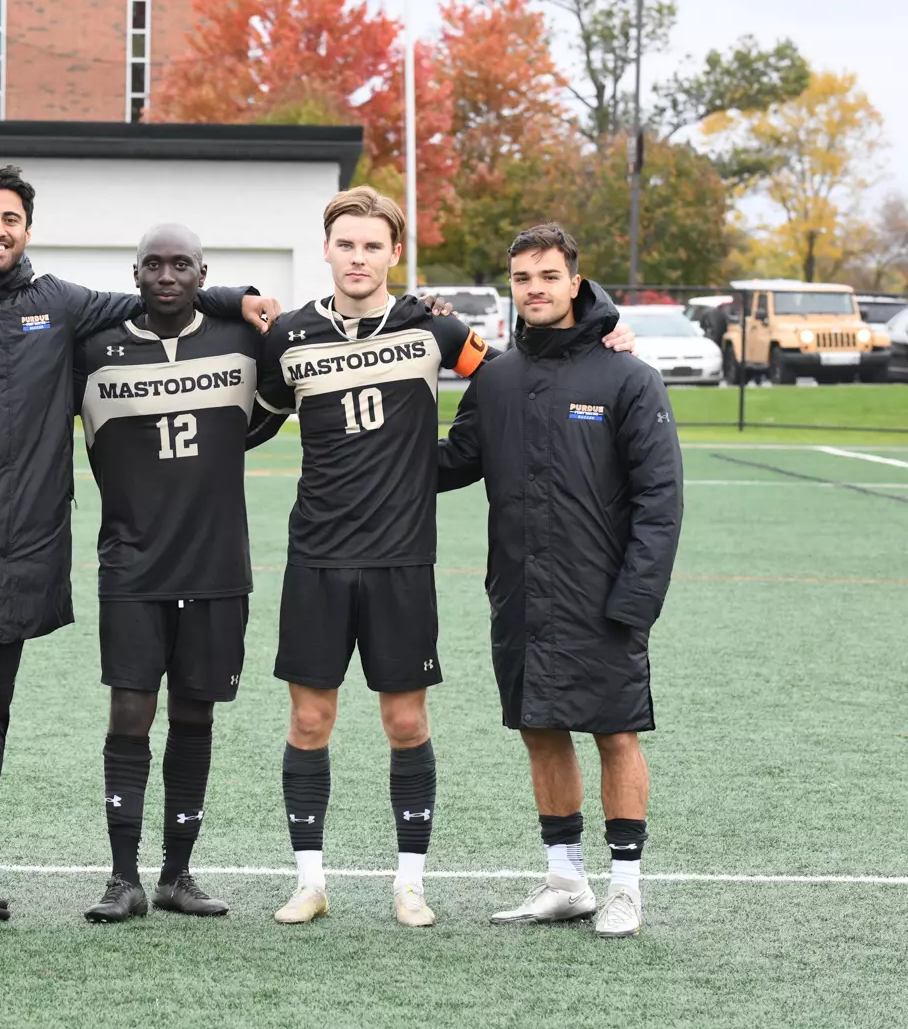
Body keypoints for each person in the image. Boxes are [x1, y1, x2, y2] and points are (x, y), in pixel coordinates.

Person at [0, 165, 278, 930]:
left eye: (10, 218)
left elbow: (158, 294)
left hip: (14, 560)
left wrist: (231, 296)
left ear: (26, 229)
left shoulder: (57, 304)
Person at [251, 188, 635, 930]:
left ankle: (410, 884)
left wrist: (606, 329)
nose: (358, 257)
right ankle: (310, 881)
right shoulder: (289, 337)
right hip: (317, 556)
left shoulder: (433, 328)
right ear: (326, 249)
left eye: (373, 245)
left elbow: (519, 372)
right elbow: (251, 421)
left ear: (394, 253)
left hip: (400, 557)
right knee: (309, 718)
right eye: (346, 244)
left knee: (405, 722)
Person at [437, 224, 683, 940]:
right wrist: (372, 438)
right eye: (522, 278)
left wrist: (636, 600)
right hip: (520, 592)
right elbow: (455, 461)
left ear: (575, 282)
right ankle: (566, 879)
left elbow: (660, 498)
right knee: (539, 729)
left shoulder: (627, 375)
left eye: (548, 275)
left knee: (615, 734)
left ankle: (627, 886)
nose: (535, 288)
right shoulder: (499, 377)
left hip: (602, 598)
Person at [74, 224, 280, 923]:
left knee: (196, 712)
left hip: (218, 565)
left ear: (202, 272)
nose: (167, 274)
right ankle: (122, 875)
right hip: (130, 564)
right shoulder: (93, 349)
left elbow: (273, 408)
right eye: (154, 264)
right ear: (134, 273)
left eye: (181, 264)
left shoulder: (243, 342)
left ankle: (178, 873)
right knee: (130, 711)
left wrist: (240, 299)